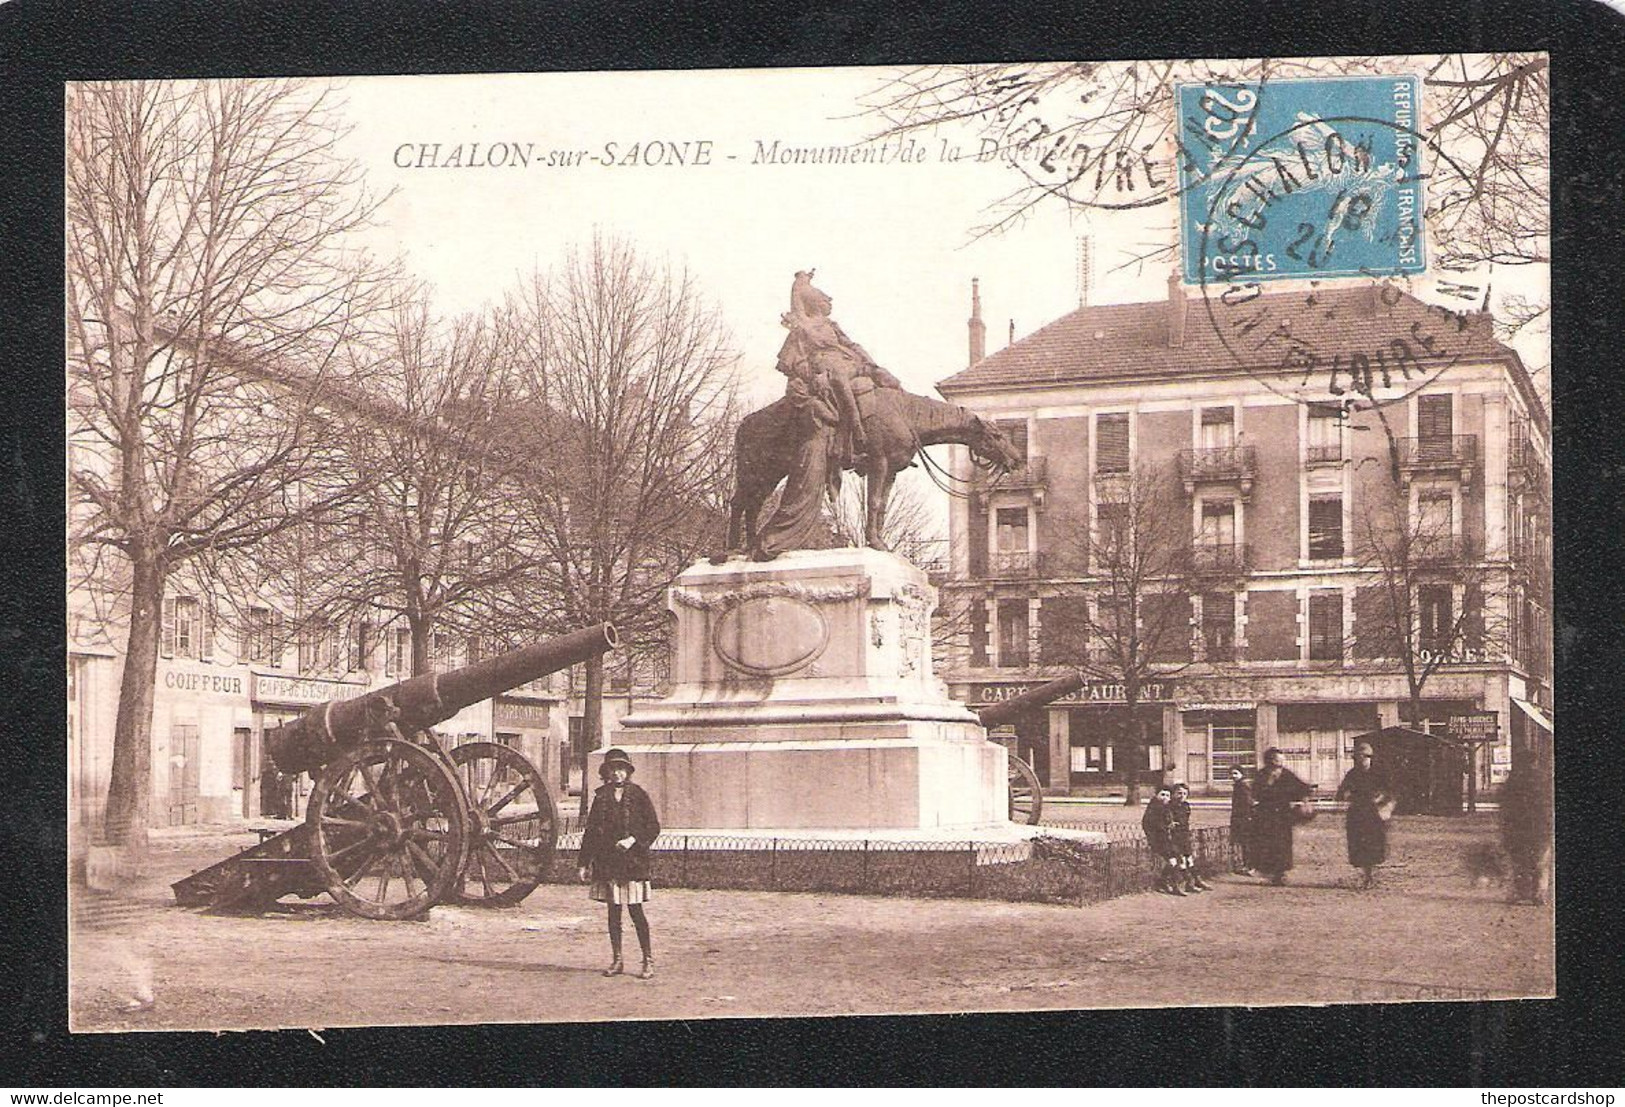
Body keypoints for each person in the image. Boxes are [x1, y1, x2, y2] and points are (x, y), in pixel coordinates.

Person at [781, 270, 900, 472]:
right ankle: (856, 428)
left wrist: (871, 364)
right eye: (824, 300)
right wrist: (802, 279)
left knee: (887, 378)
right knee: (839, 378)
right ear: (816, 303)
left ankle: (895, 438)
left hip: (847, 360)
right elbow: (796, 297)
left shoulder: (831, 325)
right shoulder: (806, 324)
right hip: (824, 363)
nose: (829, 302)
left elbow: (851, 344)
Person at [578, 748, 662, 979]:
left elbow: (653, 827)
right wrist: (584, 863)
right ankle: (617, 960)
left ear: (628, 771)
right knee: (613, 913)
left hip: (633, 863)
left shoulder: (638, 795)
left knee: (636, 912)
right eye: (613, 769)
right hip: (608, 864)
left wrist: (633, 840)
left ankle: (647, 960)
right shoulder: (601, 797)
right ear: (606, 772)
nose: (617, 773)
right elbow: (591, 833)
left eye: (621, 769)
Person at [1335, 741, 1393, 889]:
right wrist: (1345, 794)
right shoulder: (1352, 774)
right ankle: (1367, 875)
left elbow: (1391, 791)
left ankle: (1370, 875)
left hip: (1374, 814)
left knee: (1373, 845)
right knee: (1360, 845)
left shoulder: (1379, 773)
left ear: (1369, 758)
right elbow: (1341, 792)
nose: (1361, 761)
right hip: (1357, 814)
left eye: (1364, 758)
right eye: (1357, 758)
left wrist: (1382, 799)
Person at [1251, 747, 1312, 886]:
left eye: (1282, 760)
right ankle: (1270, 873)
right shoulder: (1261, 775)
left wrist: (1304, 800)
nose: (1281, 763)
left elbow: (1302, 788)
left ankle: (1281, 873)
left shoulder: (1287, 774)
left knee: (1283, 844)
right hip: (1266, 815)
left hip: (1283, 815)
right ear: (1270, 761)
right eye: (1278, 760)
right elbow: (1255, 792)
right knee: (1267, 844)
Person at [1141, 785, 1185, 896]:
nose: (1165, 797)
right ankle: (1173, 886)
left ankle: (1163, 882)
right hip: (1158, 840)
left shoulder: (1167, 807)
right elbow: (1149, 824)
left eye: (1167, 795)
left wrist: (1171, 824)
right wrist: (1166, 827)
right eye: (1162, 795)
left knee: (1177, 860)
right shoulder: (1153, 808)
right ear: (1156, 795)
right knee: (1173, 861)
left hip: (1167, 839)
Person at [1169, 782, 1211, 892]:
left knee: (1189, 859)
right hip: (1174, 836)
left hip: (1184, 835)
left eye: (1184, 793)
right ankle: (1188, 882)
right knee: (1181, 860)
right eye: (1179, 793)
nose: (1182, 796)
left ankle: (1197, 880)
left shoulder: (1186, 805)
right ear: (1173, 794)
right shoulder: (1170, 806)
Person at [1228, 766, 1255, 874]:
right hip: (1239, 817)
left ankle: (1250, 866)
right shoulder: (1238, 786)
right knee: (1243, 843)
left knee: (1246, 842)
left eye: (1235, 773)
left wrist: (1248, 816)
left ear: (1241, 774)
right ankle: (1246, 865)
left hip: (1244, 818)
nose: (1233, 776)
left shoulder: (1242, 786)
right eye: (1231, 774)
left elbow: (1248, 802)